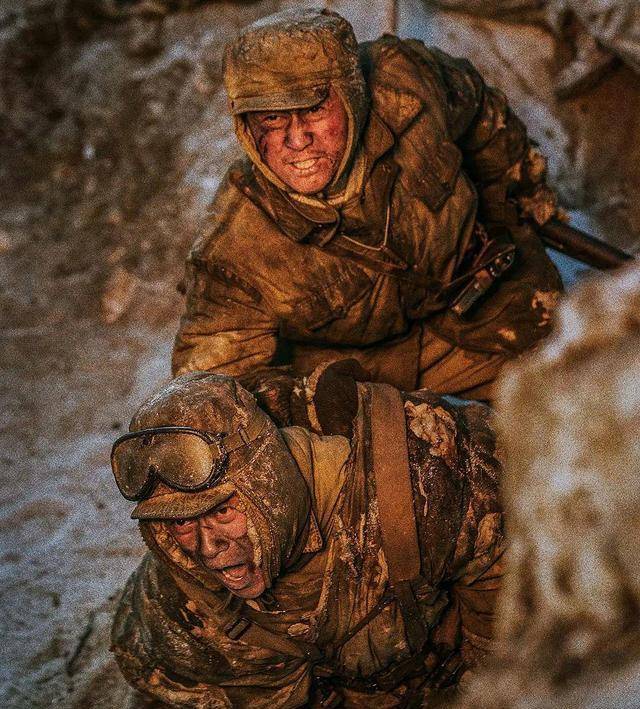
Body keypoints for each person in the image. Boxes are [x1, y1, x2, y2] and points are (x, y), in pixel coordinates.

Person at [171, 8, 562, 410]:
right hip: (365, 375)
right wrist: (303, 403)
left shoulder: (406, 84)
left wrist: (508, 201)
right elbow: (207, 397)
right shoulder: (233, 251)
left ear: (352, 96)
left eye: (315, 108)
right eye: (272, 118)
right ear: (246, 128)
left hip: (482, 298)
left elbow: (481, 114)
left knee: (585, 387)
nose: (297, 138)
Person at [110, 364, 505, 707]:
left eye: (223, 511)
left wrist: (487, 687)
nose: (208, 547)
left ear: (268, 486)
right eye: (181, 524)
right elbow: (155, 667)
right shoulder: (171, 604)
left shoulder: (425, 475)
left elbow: (511, 573)